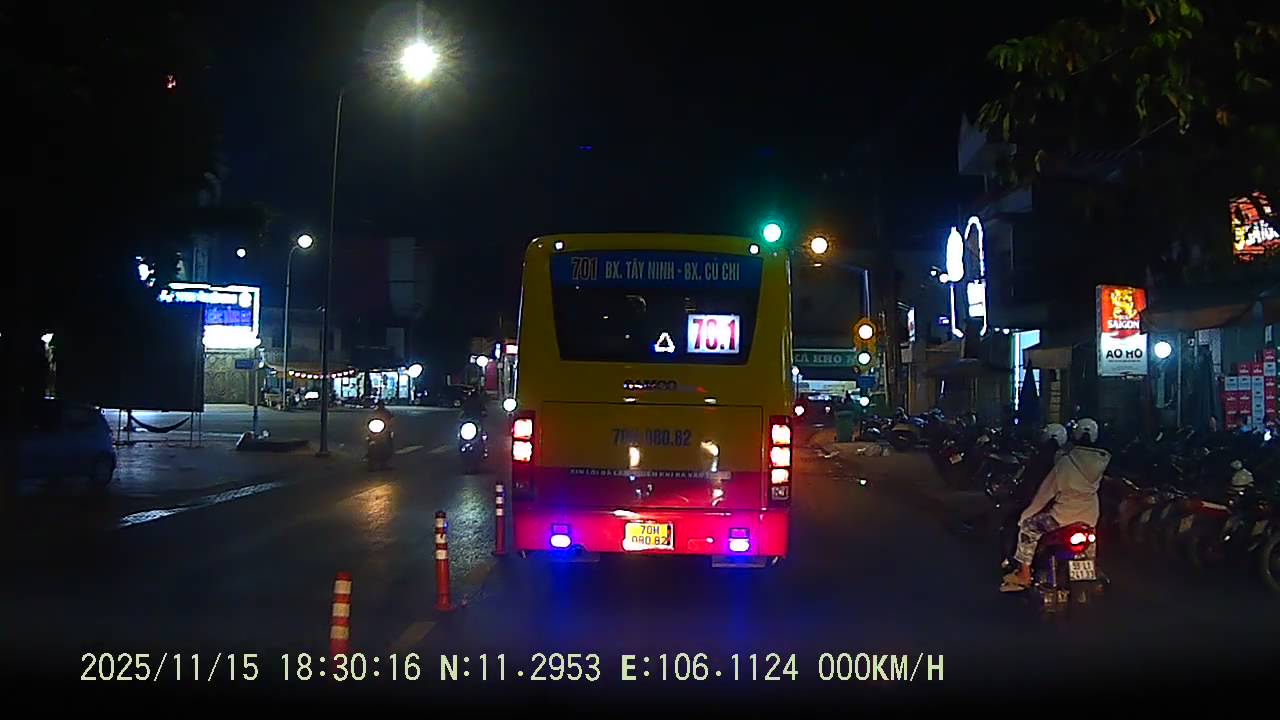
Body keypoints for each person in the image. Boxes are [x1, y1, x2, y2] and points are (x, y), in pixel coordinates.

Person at [1000, 418, 1111, 592]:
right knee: (1091, 537)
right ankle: (1092, 566)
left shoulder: (1065, 462)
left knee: (1029, 528)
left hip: (1062, 517)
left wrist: (1026, 515)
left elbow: (1043, 496)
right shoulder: (1100, 462)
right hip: (1090, 515)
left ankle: (1024, 574)